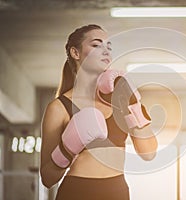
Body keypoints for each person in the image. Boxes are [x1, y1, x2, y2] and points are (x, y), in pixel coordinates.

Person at [40, 24, 158, 200]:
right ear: (76, 53)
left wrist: (133, 104)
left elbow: (148, 154)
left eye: (108, 47)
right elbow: (48, 178)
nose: (106, 51)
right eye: (96, 45)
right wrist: (67, 149)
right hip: (76, 192)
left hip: (117, 191)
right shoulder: (59, 108)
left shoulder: (119, 99)